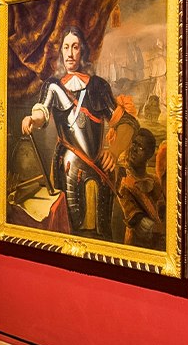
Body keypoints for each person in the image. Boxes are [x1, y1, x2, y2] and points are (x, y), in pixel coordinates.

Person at [22, 25, 118, 236]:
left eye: (75, 47)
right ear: (61, 51)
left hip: (99, 166)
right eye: (66, 47)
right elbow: (42, 112)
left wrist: (114, 150)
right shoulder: (53, 86)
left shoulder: (99, 86)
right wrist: (32, 119)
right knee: (70, 229)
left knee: (102, 231)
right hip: (67, 166)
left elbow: (124, 120)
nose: (70, 53)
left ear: (82, 51)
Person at [117, 128, 164, 248]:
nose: (134, 149)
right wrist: (160, 229)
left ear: (149, 155)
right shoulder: (123, 179)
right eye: (134, 144)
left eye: (141, 147)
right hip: (135, 245)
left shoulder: (155, 181)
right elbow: (135, 218)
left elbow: (162, 209)